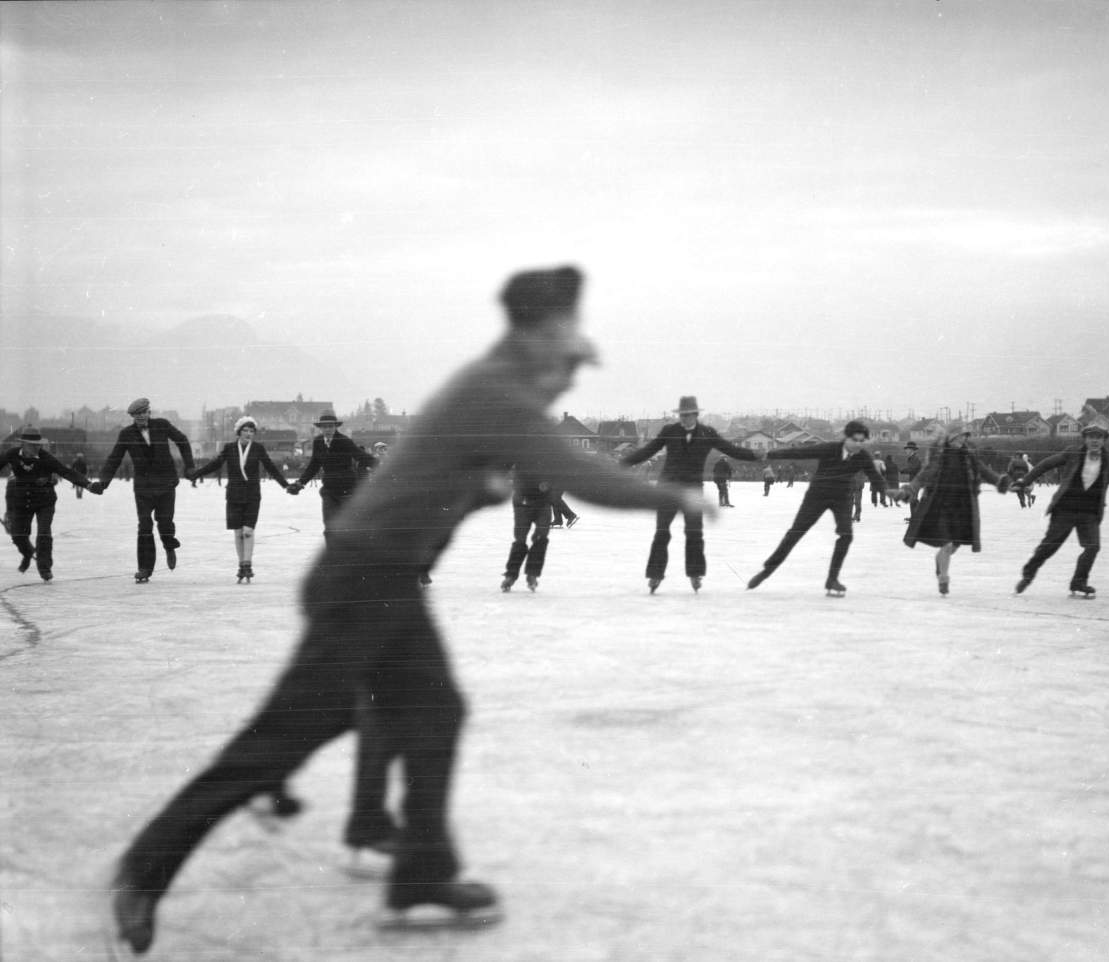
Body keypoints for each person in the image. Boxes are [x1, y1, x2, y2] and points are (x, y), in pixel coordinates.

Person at [109, 264, 710, 957]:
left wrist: (475, 484)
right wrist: (679, 499)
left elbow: (465, 471)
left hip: (381, 580)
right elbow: (580, 474)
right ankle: (143, 870)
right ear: (541, 333)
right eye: (568, 347)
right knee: (282, 738)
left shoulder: (491, 386)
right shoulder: (498, 393)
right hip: (363, 580)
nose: (571, 375)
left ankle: (422, 876)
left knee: (434, 712)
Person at [621, 396, 758, 592]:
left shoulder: (707, 433)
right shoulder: (670, 431)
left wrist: (755, 456)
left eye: (688, 415)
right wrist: (621, 463)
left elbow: (732, 449)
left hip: (693, 489)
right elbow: (648, 451)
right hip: (668, 488)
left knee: (694, 533)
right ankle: (655, 574)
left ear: (696, 414)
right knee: (662, 532)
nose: (685, 419)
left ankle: (695, 573)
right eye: (682, 415)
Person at [745, 420, 885, 595]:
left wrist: (892, 492)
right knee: (796, 532)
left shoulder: (863, 456)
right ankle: (766, 571)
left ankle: (832, 579)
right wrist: (769, 454)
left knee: (846, 535)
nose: (858, 444)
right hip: (817, 496)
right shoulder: (829, 449)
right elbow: (799, 452)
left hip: (842, 498)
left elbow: (876, 477)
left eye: (861, 441)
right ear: (846, 438)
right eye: (855, 440)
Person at [1012, 422, 1109, 597]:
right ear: (1085, 439)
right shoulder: (1073, 453)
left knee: (1093, 547)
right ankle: (1028, 574)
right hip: (1065, 509)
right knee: (1049, 546)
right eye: (1091, 437)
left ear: (1104, 440)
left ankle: (1078, 582)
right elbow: (1046, 464)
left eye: (1098, 437)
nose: (1094, 441)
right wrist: (1024, 481)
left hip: (1090, 512)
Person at [893, 427, 1010, 595]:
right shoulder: (940, 457)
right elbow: (923, 475)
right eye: (959, 438)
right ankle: (943, 577)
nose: (961, 441)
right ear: (951, 438)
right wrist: (910, 489)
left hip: (962, 506)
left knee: (954, 545)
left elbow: (984, 471)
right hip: (940, 504)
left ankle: (940, 562)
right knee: (947, 544)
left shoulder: (969, 456)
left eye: (964, 438)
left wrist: (1000, 481)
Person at [95, 399, 195, 583]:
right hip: (143, 488)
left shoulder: (162, 425)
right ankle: (145, 568)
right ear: (132, 416)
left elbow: (182, 440)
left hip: (165, 484)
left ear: (149, 412)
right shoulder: (127, 434)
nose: (141, 416)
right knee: (144, 526)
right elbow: (114, 458)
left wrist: (190, 467)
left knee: (164, 523)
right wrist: (103, 482)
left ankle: (168, 544)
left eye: (144, 412)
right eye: (137, 414)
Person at [189, 417, 290, 583]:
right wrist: (197, 474)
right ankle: (241, 564)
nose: (248, 434)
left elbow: (270, 467)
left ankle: (247, 564)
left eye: (251, 431)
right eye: (245, 430)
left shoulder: (258, 448)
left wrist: (286, 485)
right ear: (239, 432)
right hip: (234, 494)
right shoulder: (230, 448)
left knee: (248, 531)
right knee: (238, 532)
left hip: (252, 494)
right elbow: (215, 464)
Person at [0, 427, 97, 581]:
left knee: (44, 533)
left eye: (38, 444)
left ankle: (44, 568)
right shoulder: (12, 454)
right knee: (18, 535)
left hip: (44, 501)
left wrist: (88, 485)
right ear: (23, 444)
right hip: (22, 500)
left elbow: (66, 472)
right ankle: (28, 552)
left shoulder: (46, 458)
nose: (37, 447)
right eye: (32, 444)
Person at [287, 411, 377, 542]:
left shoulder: (344, 441)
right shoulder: (318, 442)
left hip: (347, 489)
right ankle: (333, 556)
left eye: (330, 426)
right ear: (320, 428)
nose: (328, 429)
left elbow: (361, 456)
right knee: (329, 528)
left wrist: (384, 468)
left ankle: (351, 556)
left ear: (336, 427)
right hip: (329, 490)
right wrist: (300, 483)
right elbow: (314, 464)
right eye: (324, 427)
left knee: (349, 526)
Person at [500, 470, 555, 591]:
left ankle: (533, 574)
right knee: (520, 539)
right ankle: (511, 575)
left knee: (541, 537)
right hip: (523, 503)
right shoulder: (524, 457)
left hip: (543, 504)